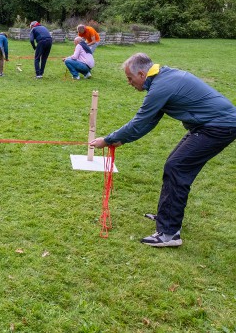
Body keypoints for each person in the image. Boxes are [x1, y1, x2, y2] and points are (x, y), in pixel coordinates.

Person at [90, 53, 236, 247]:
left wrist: (108, 139)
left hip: (218, 126)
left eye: (129, 78)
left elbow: (140, 120)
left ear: (142, 74)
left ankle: (169, 233)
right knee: (175, 165)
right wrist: (122, 140)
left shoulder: (161, 86)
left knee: (176, 167)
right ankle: (167, 217)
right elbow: (150, 122)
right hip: (207, 126)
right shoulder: (162, 78)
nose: (129, 82)